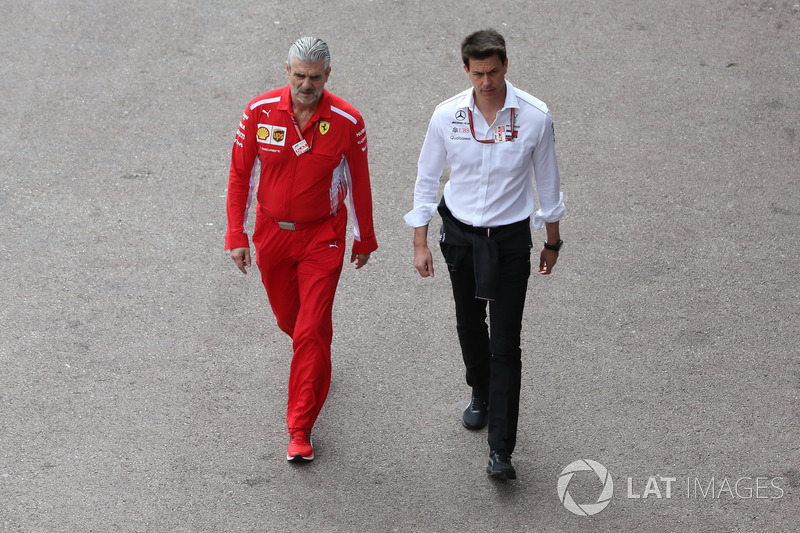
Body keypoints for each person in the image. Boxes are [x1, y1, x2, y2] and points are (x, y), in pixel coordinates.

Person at [404, 29, 565, 480]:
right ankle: (479, 390)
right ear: (465, 70)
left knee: (506, 343)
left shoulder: (534, 117)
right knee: (469, 321)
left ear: (506, 65)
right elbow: (426, 179)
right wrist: (419, 242)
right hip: (460, 235)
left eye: (494, 71)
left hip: (511, 239)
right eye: (478, 73)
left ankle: (501, 450)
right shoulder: (446, 116)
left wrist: (552, 241)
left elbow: (548, 185)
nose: (487, 81)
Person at [225, 36, 378, 463]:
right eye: (298, 76)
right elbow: (239, 176)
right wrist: (235, 235)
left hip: (322, 237)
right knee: (289, 321)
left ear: (327, 75)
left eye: (314, 77)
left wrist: (365, 237)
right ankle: (315, 361)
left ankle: (300, 429)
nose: (305, 85)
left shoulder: (348, 120)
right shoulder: (259, 112)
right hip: (271, 234)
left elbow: (360, 183)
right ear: (286, 71)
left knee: (310, 331)